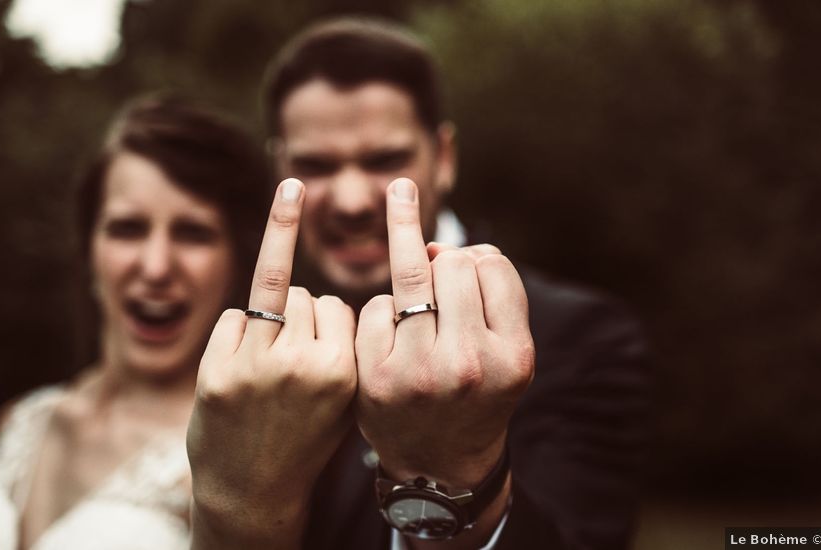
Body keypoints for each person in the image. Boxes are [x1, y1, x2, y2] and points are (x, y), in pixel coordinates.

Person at [188, 17, 649, 550]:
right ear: (280, 166)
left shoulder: (583, 336)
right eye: (315, 165)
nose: (352, 200)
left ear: (444, 158)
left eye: (384, 160)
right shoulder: (246, 350)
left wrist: (458, 479)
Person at [0, 94, 269, 550]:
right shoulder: (20, 421)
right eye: (127, 228)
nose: (155, 267)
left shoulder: (233, 460)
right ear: (90, 249)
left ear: (237, 264)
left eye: (193, 233)